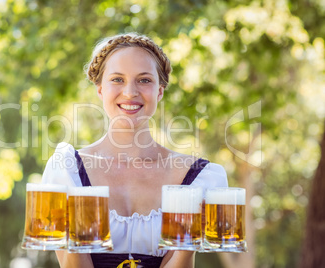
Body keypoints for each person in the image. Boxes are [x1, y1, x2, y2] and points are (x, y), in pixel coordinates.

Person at [42, 33, 228, 268]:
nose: (130, 92)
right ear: (100, 90)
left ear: (159, 91)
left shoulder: (198, 177)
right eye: (117, 79)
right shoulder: (67, 170)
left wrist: (186, 245)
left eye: (144, 80)